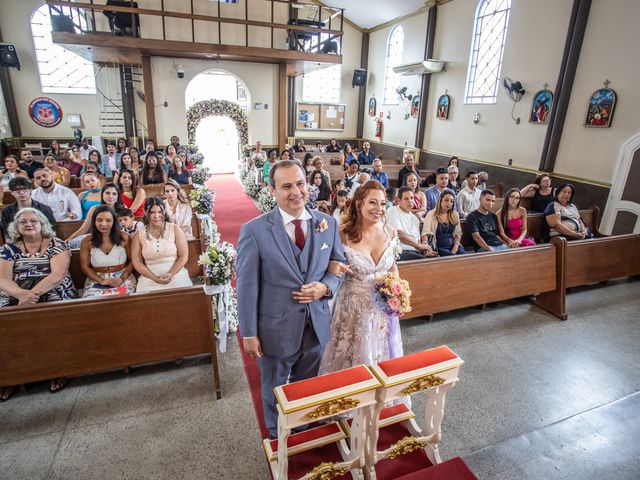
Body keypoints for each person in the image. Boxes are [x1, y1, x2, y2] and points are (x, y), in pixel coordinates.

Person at [236, 159, 346, 438]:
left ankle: (302, 428)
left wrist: (325, 287)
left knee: (306, 383)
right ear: (272, 190)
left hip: (315, 323)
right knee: (274, 386)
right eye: (286, 186)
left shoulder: (327, 223)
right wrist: (248, 333)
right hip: (275, 327)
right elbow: (246, 287)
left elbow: (338, 265)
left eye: (300, 183)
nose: (296, 191)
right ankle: (279, 437)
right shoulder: (255, 230)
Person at [320, 180, 405, 375]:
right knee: (349, 360)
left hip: (383, 310)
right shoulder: (343, 234)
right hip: (352, 310)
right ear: (359, 204)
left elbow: (392, 266)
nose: (379, 209)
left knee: (381, 355)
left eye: (383, 203)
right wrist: (331, 266)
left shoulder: (389, 231)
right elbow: (326, 263)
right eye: (373, 202)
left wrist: (398, 294)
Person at [0, 208, 76, 399]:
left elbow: (58, 274)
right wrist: (20, 294)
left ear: (42, 224)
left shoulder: (56, 244)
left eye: (33, 221)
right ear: (15, 227)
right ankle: (10, 376)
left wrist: (31, 295)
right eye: (23, 222)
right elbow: (2, 279)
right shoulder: (8, 249)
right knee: (6, 324)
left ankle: (56, 369)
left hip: (51, 289)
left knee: (50, 319)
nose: (28, 224)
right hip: (17, 292)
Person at [132, 197, 193, 292]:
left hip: (176, 274)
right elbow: (137, 261)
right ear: (145, 212)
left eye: (159, 212)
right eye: (152, 212)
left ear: (164, 211)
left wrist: (171, 274)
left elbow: (183, 256)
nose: (156, 216)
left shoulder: (175, 229)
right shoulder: (139, 234)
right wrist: (153, 277)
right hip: (149, 277)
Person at [80, 205, 137, 297]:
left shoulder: (124, 237)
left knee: (125, 300)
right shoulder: (87, 241)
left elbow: (133, 261)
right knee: (93, 302)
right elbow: (85, 266)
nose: (103, 224)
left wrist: (122, 278)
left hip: (122, 276)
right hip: (97, 278)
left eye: (108, 220)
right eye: (99, 220)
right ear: (94, 221)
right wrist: (101, 280)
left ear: (114, 221)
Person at [386, 186, 437, 261]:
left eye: (412, 198)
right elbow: (400, 234)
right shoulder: (392, 211)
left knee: (434, 258)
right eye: (406, 199)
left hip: (415, 251)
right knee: (425, 261)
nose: (410, 201)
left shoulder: (415, 218)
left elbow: (418, 240)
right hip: (400, 251)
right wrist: (420, 246)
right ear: (399, 201)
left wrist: (425, 250)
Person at [422, 191, 466, 256]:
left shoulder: (455, 214)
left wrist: (455, 248)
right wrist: (426, 248)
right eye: (446, 200)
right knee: (453, 258)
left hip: (453, 245)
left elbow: (458, 235)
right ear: (440, 200)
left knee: (465, 257)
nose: (448, 203)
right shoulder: (431, 214)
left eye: (451, 201)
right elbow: (425, 234)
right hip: (439, 247)